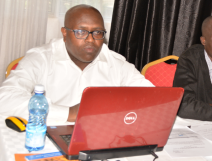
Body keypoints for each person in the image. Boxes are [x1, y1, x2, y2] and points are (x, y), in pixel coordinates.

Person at [0, 5, 153, 124]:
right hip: (48, 134)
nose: (91, 40)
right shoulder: (40, 58)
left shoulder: (116, 63)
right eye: (81, 32)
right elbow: (5, 98)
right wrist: (69, 113)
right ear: (65, 33)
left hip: (101, 134)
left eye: (98, 32)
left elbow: (152, 98)